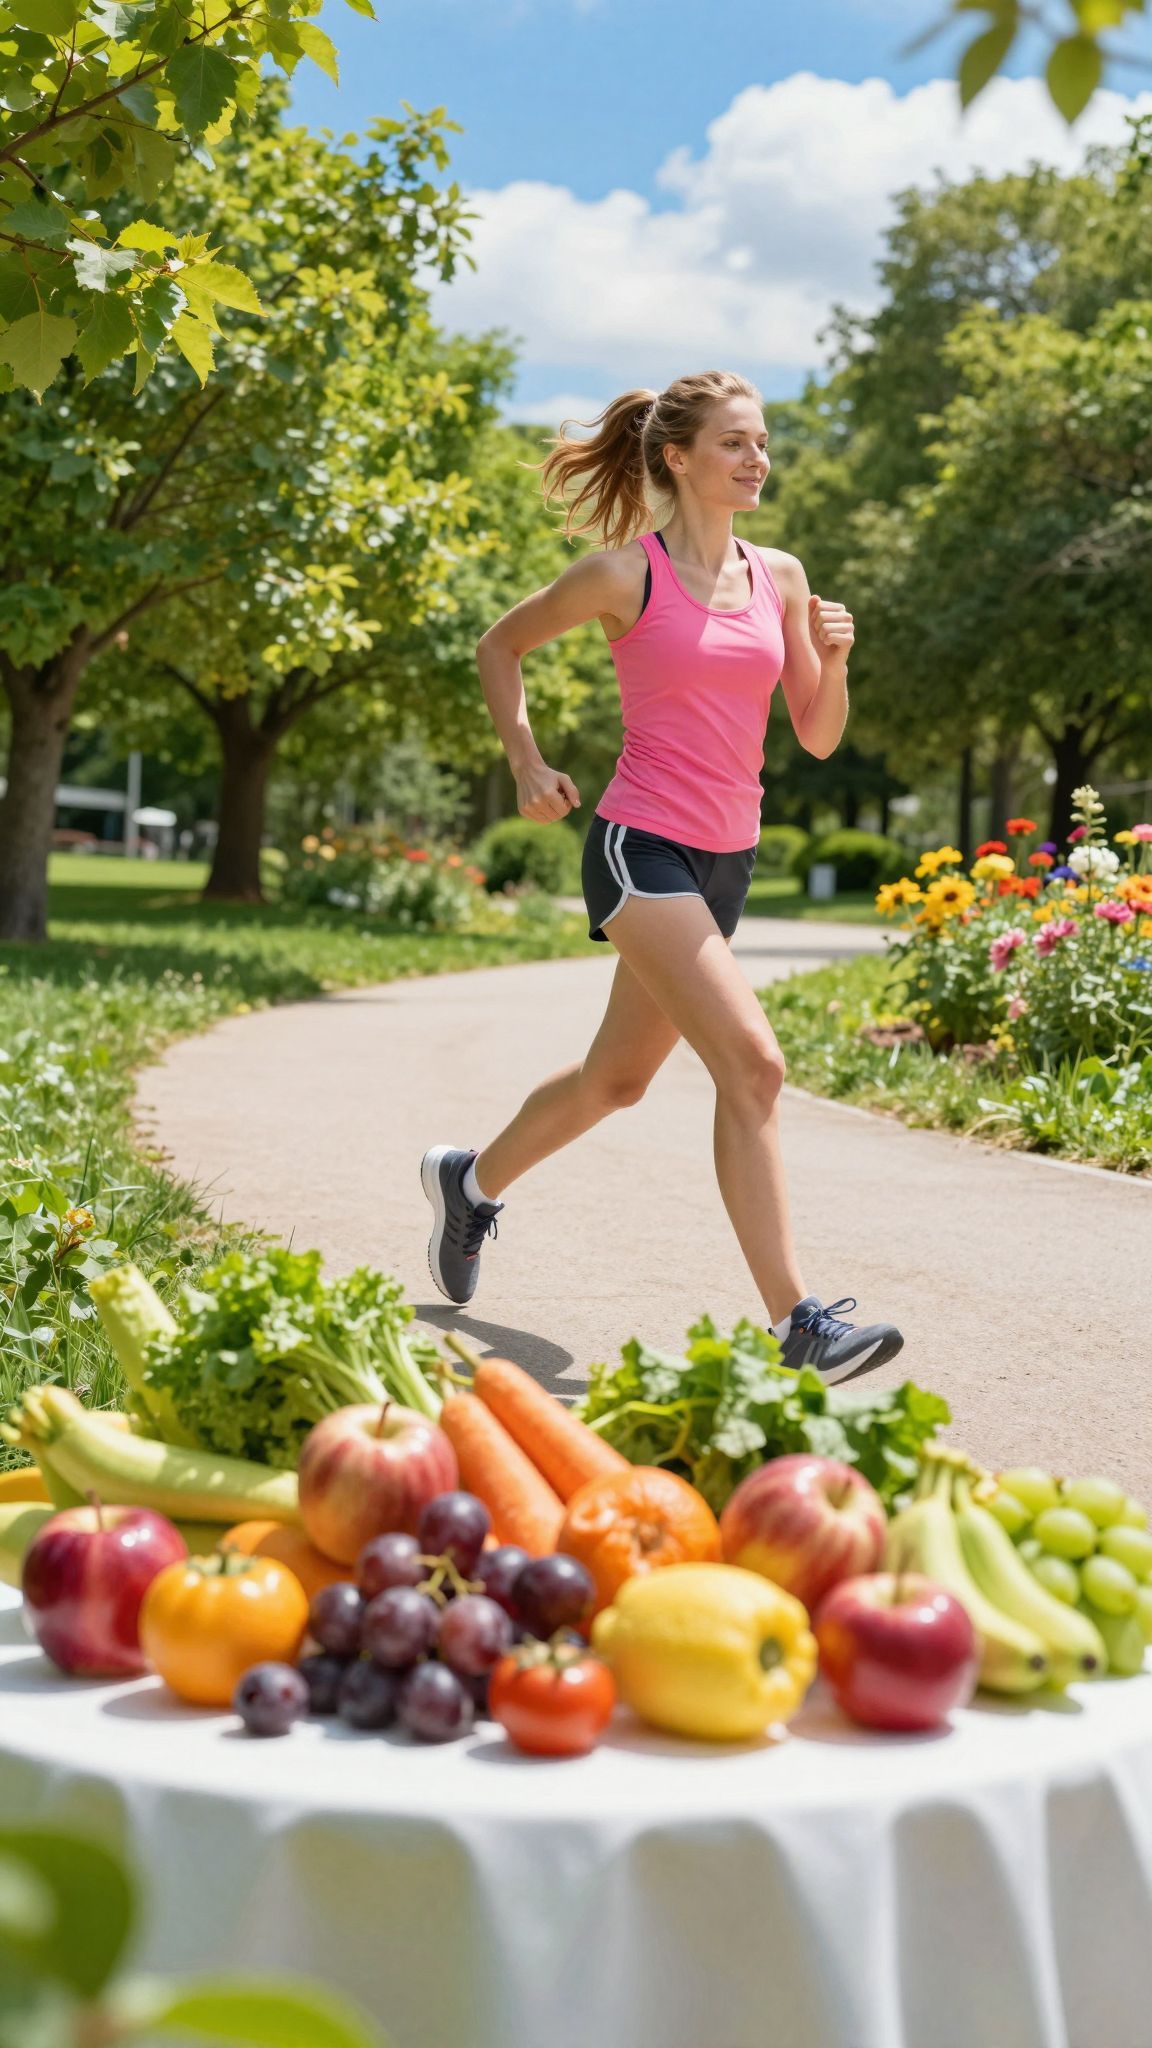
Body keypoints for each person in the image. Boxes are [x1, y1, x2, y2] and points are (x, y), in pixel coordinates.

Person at [421, 369, 903, 1385]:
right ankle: (799, 1320)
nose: (758, 457)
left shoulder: (781, 574)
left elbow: (816, 736)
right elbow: (498, 645)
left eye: (762, 441)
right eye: (736, 442)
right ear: (679, 458)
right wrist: (524, 758)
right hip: (638, 844)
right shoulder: (622, 576)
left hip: (728, 858)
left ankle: (471, 1183)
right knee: (755, 1064)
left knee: (617, 1080)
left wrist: (834, 655)